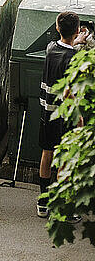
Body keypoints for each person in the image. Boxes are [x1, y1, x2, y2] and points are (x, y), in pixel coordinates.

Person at [37, 11, 89, 219]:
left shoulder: (51, 48)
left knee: (47, 154)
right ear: (76, 30)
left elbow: (64, 48)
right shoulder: (74, 58)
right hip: (64, 116)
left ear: (57, 28)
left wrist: (77, 40)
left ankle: (43, 203)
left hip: (46, 112)